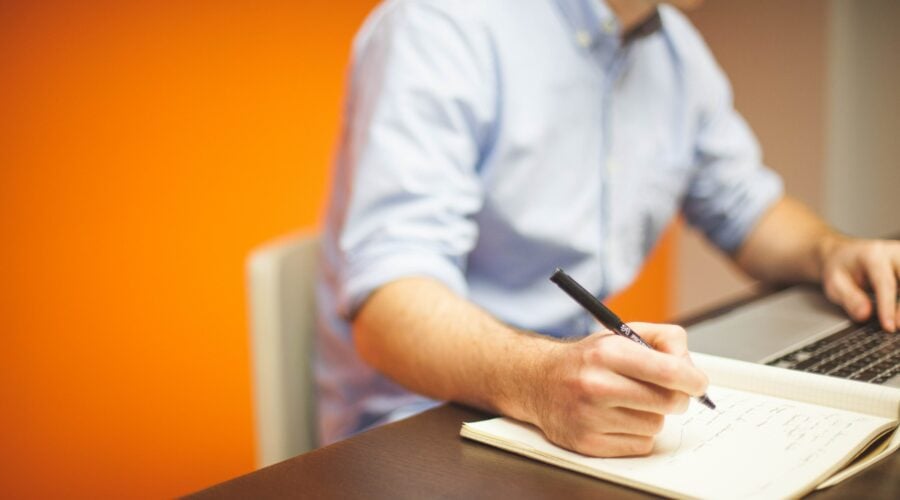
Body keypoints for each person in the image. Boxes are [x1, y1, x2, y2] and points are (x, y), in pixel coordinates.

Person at [314, 0, 900, 455]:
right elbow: (388, 308)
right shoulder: (441, 26)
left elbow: (745, 207)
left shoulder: (675, 53)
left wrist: (831, 252)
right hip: (422, 429)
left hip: (571, 402)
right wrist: (541, 381)